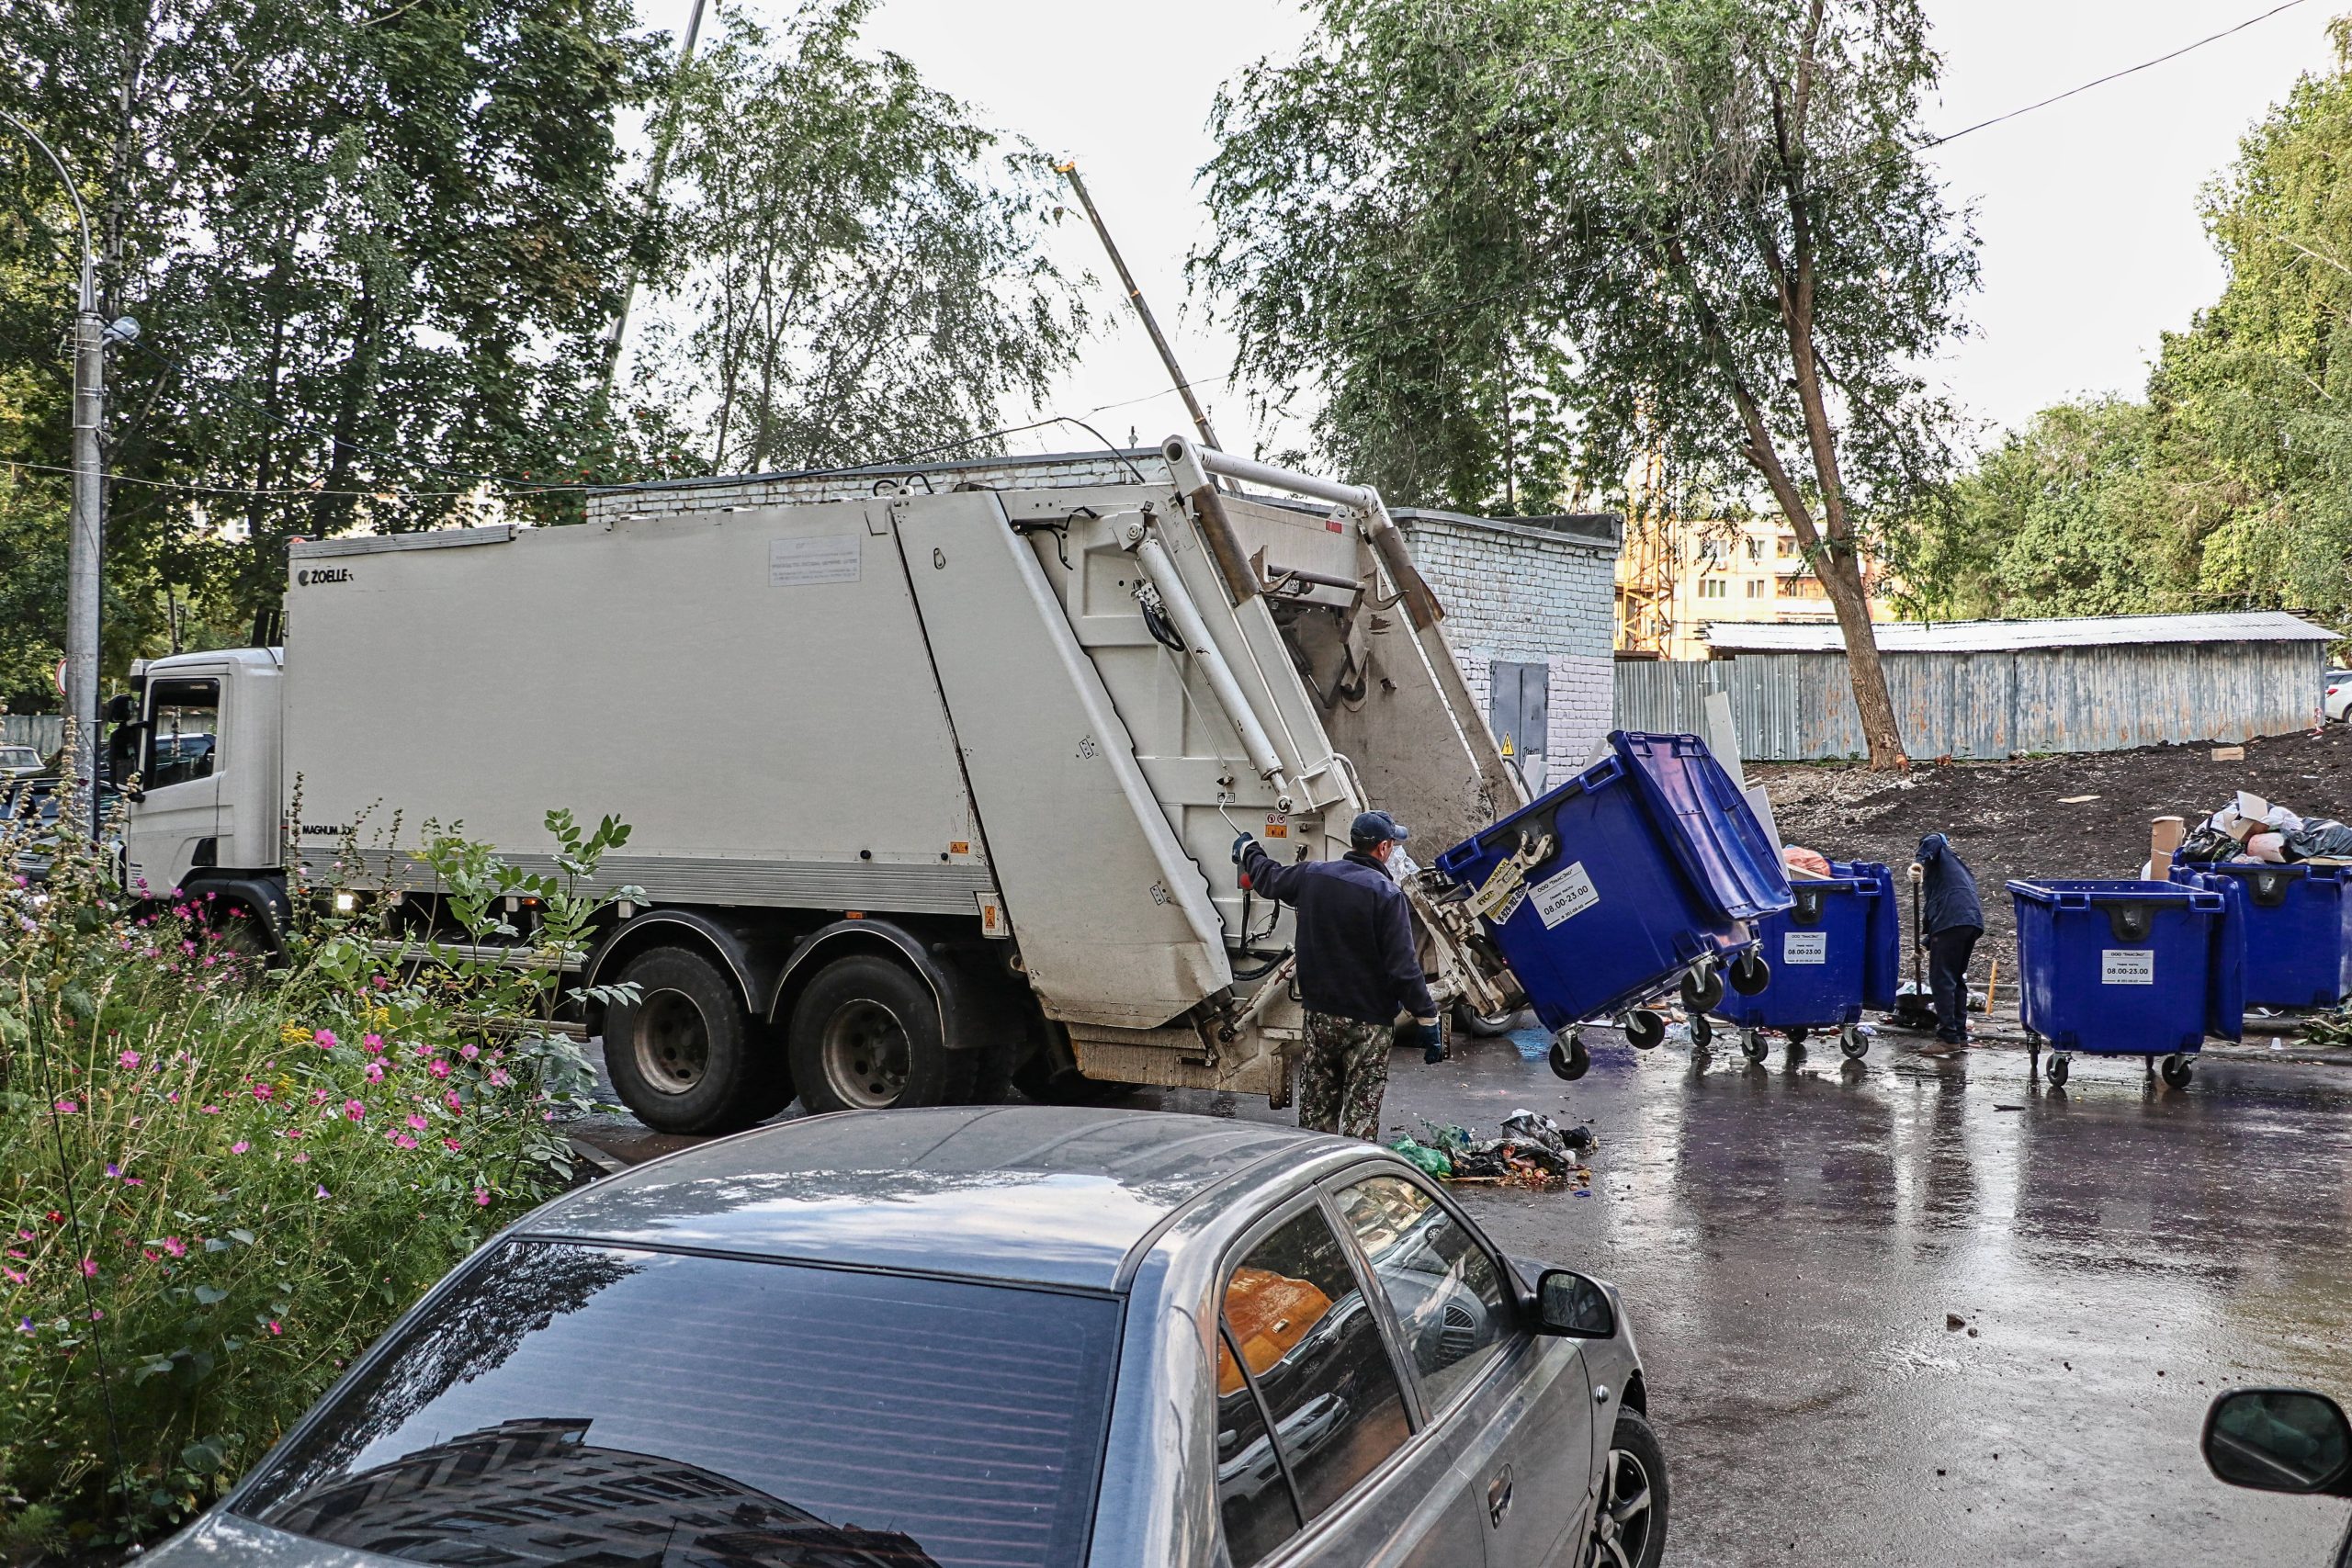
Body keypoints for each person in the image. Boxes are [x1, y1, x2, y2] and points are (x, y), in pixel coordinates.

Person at [1234, 809, 1443, 1140]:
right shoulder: (1387, 896)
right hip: (1368, 1024)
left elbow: (1269, 879)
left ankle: (1315, 1171)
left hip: (1320, 1016)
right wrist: (1427, 1018)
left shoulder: (1313, 876)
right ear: (1384, 848)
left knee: (1317, 1111)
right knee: (1361, 1114)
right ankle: (1353, 1178)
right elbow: (1403, 968)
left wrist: (1249, 851)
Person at [1912, 832, 1984, 1052]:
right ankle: (1960, 1035)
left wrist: (1917, 863)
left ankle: (1948, 1038)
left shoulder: (1937, 846)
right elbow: (1945, 905)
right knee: (1956, 980)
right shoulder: (1956, 871)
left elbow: (1934, 839)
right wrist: (1925, 943)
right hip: (1969, 923)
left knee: (1942, 980)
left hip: (1952, 922)